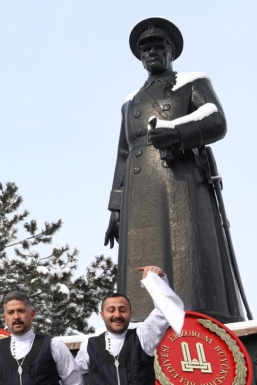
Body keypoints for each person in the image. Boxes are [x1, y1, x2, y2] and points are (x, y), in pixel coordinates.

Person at [104, 17, 242, 323]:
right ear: (140, 58)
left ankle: (196, 316)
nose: (152, 52)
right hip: (139, 190)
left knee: (186, 251)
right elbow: (123, 154)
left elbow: (216, 120)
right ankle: (141, 319)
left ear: (171, 52)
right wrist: (115, 208)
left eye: (159, 46)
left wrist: (178, 133)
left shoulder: (191, 84)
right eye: (146, 49)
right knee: (140, 259)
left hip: (180, 179)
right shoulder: (130, 103)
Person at [75, 265, 184, 385]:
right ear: (102, 315)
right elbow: (74, 380)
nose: (117, 315)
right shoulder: (89, 345)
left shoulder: (143, 335)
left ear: (130, 314)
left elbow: (165, 310)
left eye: (122, 310)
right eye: (111, 310)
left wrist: (159, 280)